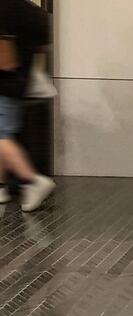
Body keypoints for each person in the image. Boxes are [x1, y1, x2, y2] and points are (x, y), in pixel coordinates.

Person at [0, 0, 55, 211]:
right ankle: (2, 187)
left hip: (4, 84)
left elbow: (5, 60)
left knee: (2, 137)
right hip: (19, 83)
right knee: (4, 136)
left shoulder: (3, 8)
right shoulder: (30, 10)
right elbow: (42, 44)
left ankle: (32, 181)